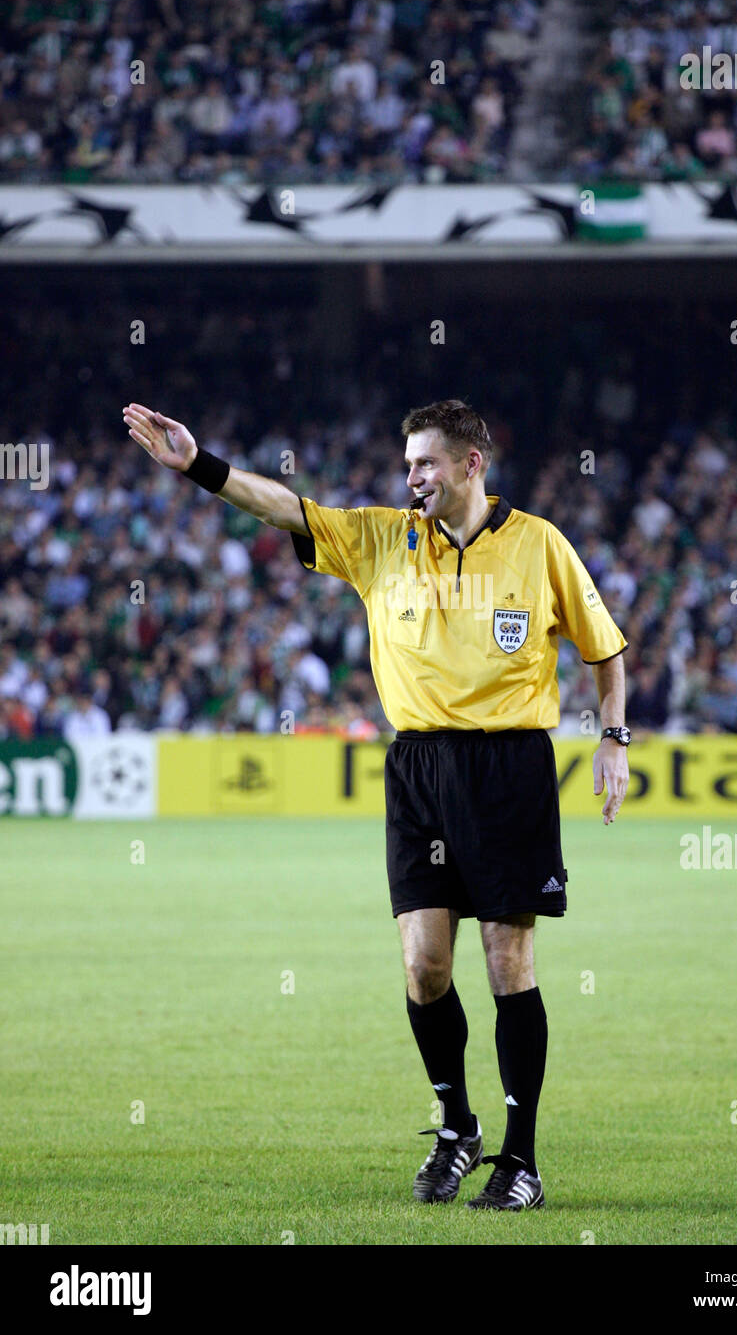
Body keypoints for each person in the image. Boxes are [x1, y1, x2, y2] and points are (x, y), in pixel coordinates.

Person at [122, 397, 630, 1211]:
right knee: (425, 966)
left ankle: (521, 1161)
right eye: (407, 465)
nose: (412, 477)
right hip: (418, 768)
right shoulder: (382, 538)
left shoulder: (540, 546)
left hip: (509, 768)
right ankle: (459, 1129)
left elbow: (605, 652)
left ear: (472, 463)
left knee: (508, 963)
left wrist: (614, 738)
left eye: (425, 463)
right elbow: (288, 505)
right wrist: (199, 467)